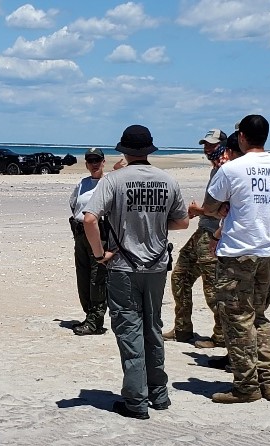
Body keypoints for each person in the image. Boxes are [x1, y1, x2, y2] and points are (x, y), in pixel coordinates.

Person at [83, 124, 189, 419]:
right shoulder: (167, 180)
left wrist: (98, 254)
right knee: (153, 328)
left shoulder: (114, 180)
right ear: (148, 151)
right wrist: (153, 223)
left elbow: (90, 219)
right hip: (156, 266)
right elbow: (182, 223)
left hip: (123, 267)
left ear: (125, 151)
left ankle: (136, 401)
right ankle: (159, 393)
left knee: (130, 332)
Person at [203, 114, 270, 404]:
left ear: (241, 136)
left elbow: (210, 206)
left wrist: (220, 208)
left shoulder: (232, 169)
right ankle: (269, 382)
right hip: (266, 251)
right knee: (260, 318)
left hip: (238, 253)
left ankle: (246, 386)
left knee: (238, 321)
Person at [163, 128, 228, 349]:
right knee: (180, 276)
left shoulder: (228, 169)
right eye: (205, 145)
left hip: (215, 235)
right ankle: (182, 329)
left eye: (211, 145)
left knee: (213, 289)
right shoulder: (216, 169)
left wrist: (199, 210)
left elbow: (222, 209)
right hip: (203, 231)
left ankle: (221, 335)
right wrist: (200, 212)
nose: (207, 148)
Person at [68, 147, 108, 336]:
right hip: (80, 234)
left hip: (99, 233)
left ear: (103, 161)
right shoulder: (82, 183)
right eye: (90, 160)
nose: (94, 164)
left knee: (97, 277)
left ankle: (96, 320)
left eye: (97, 160)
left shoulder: (108, 183)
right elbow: (74, 205)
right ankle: (89, 315)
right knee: (83, 277)